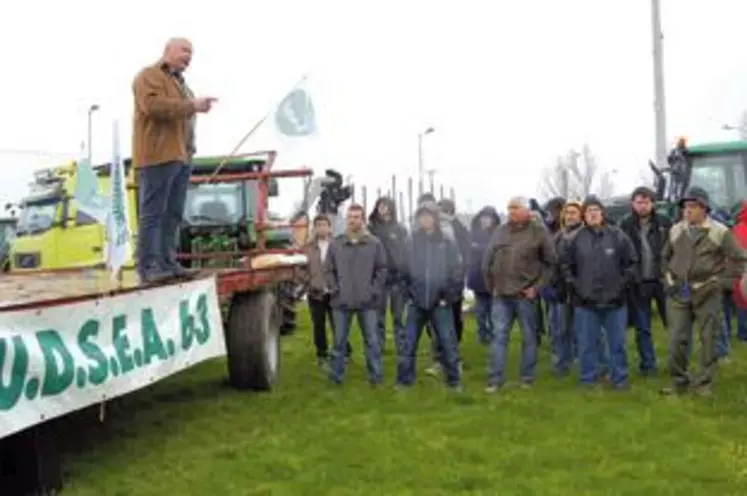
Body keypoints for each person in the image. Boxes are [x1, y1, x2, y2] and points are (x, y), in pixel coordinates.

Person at [132, 37, 217, 283]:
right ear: (167, 50)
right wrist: (191, 105)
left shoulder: (181, 84)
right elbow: (152, 107)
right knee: (153, 213)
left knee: (173, 213)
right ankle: (148, 267)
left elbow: (186, 121)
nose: (188, 56)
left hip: (181, 157)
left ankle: (168, 263)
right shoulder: (149, 75)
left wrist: (190, 150)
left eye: (191, 53)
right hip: (158, 155)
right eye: (184, 50)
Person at [660, 188, 744, 396]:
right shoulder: (676, 230)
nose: (687, 211)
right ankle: (679, 382)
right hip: (679, 292)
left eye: (692, 206)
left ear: (704, 208)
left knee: (709, 339)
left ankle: (705, 384)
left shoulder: (720, 232)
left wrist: (721, 283)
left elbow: (739, 260)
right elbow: (664, 257)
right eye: (685, 207)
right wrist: (668, 279)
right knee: (676, 340)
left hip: (707, 291)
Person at [561, 196, 637, 390]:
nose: (593, 213)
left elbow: (631, 263)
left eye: (596, 210)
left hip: (615, 302)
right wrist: (577, 287)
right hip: (586, 302)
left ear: (603, 213)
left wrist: (621, 286)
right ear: (584, 216)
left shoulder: (618, 235)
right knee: (587, 344)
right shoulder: (574, 238)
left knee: (617, 344)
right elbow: (566, 266)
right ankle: (588, 380)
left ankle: (619, 378)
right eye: (588, 210)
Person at [482, 197, 557, 392]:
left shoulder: (538, 232)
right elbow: (487, 261)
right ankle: (495, 380)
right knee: (498, 337)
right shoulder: (500, 231)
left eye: (515, 208)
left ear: (526, 211)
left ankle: (527, 378)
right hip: (501, 295)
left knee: (529, 337)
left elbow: (551, 263)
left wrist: (537, 288)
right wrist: (492, 287)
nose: (511, 212)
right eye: (509, 208)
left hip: (525, 295)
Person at [397, 204, 463, 390]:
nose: (425, 220)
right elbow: (403, 270)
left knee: (447, 342)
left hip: (440, 302)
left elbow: (456, 271)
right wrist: (409, 293)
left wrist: (448, 296)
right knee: (408, 343)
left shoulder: (447, 241)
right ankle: (404, 381)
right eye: (421, 217)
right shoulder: (411, 241)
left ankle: (454, 381)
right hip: (416, 301)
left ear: (435, 218)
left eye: (428, 217)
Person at [325, 204, 388, 386]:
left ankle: (376, 377)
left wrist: (373, 290)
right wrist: (335, 290)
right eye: (350, 217)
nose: (353, 220)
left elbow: (382, 269)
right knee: (338, 343)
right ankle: (336, 378)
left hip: (367, 302)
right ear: (347, 219)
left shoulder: (374, 243)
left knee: (372, 342)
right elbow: (328, 269)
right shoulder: (336, 244)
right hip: (342, 301)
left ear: (363, 220)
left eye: (357, 217)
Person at [618, 186, 672, 376]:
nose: (642, 206)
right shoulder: (624, 225)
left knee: (673, 325)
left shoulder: (665, 223)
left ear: (653, 203)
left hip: (662, 280)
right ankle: (648, 366)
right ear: (632, 204)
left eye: (646, 202)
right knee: (643, 327)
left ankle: (676, 363)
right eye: (639, 202)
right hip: (638, 282)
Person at [300, 214, 351, 367]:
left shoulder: (338, 245)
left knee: (338, 324)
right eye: (318, 225)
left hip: (335, 291)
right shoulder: (308, 248)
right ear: (314, 228)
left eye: (324, 225)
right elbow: (300, 268)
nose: (322, 228)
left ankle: (344, 351)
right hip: (316, 292)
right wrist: (308, 280)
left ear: (330, 228)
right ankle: (322, 354)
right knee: (319, 325)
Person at [546, 200, 583, 376]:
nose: (569, 216)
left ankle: (582, 362)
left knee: (582, 329)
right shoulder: (558, 237)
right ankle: (562, 363)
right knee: (560, 329)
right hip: (561, 289)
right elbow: (552, 262)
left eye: (574, 213)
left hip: (582, 289)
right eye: (567, 213)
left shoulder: (586, 235)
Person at [367, 197, 408, 355]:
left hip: (397, 278)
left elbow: (406, 252)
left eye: (386, 205)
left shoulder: (400, 229)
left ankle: (402, 347)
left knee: (398, 316)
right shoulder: (371, 229)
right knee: (379, 317)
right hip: (379, 278)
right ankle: (379, 347)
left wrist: (404, 271)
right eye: (380, 205)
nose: (383, 208)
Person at [467, 206, 502, 345]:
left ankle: (494, 334)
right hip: (477, 277)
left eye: (489, 218)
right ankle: (482, 333)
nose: (486, 221)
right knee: (481, 310)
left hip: (494, 277)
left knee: (493, 310)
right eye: (484, 218)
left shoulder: (498, 234)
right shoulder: (473, 234)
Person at [730, 201, 747, 341]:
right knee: (743, 301)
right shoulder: (740, 229)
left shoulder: (738, 228)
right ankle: (743, 333)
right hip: (742, 270)